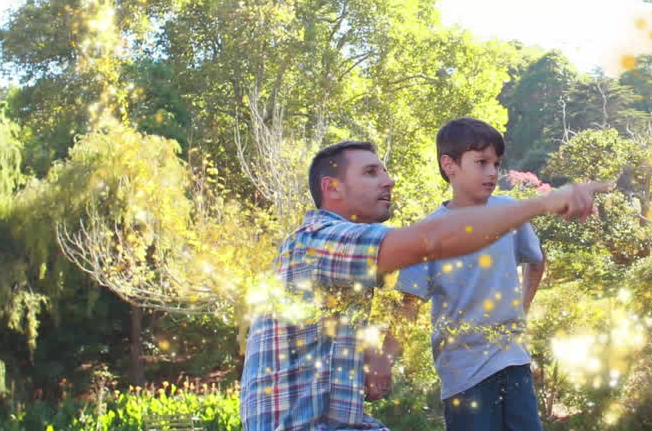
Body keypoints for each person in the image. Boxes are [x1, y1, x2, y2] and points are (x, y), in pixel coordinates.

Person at [239, 140, 602, 431]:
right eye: (371, 172)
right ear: (332, 188)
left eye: (384, 171)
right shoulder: (317, 238)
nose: (389, 181)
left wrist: (369, 358)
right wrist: (545, 202)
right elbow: (430, 242)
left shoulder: (339, 254)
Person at [396, 118, 546, 430]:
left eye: (496, 163)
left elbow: (537, 261)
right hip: (464, 371)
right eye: (481, 162)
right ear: (449, 165)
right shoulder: (426, 233)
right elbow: (408, 304)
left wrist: (521, 309)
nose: (492, 172)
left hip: (514, 360)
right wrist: (383, 362)